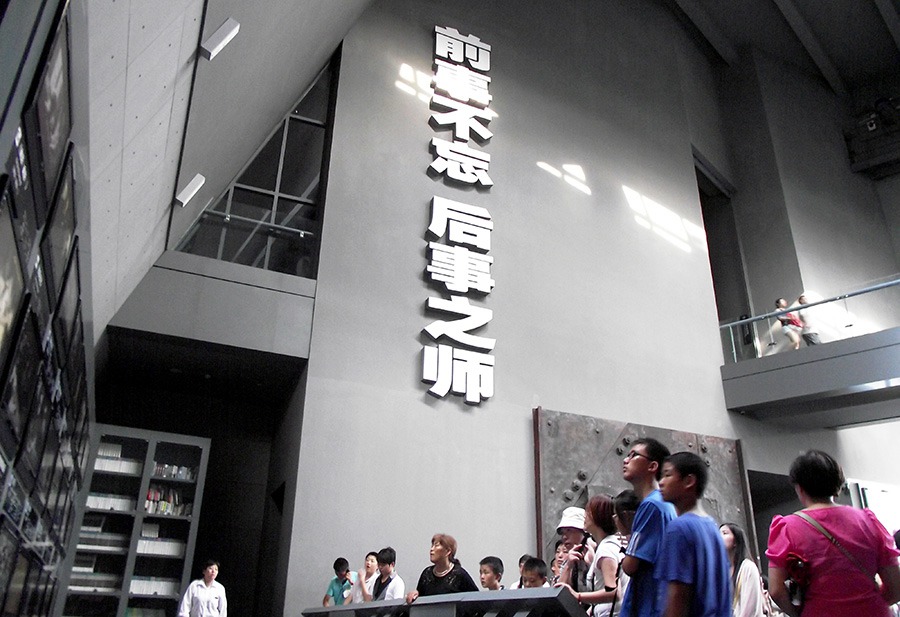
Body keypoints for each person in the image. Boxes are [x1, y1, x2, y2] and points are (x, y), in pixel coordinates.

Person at [766, 450, 900, 617]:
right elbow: (896, 587)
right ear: (837, 484)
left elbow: (776, 591)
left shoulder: (786, 527)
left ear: (800, 488)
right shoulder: (868, 521)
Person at [657, 451, 731, 617]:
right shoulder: (712, 527)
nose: (661, 482)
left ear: (689, 481)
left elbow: (677, 596)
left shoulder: (679, 528)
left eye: (667, 475)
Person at [619, 437, 677, 617]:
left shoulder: (651, 506)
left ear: (652, 466)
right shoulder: (664, 503)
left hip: (648, 606)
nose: (626, 460)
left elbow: (630, 566)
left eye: (634, 455)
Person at [557, 494, 622, 617]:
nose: (585, 517)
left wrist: (578, 596)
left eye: (588, 512)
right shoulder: (606, 545)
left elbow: (614, 592)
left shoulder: (606, 549)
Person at [406, 534, 478, 603]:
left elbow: (476, 599)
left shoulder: (459, 574)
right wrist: (415, 594)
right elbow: (420, 597)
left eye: (436, 546)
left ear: (448, 551)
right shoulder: (427, 573)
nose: (431, 549)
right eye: (432, 545)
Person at [720, 523, 764, 617]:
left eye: (724, 533)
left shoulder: (748, 568)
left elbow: (750, 609)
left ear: (736, 542)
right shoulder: (720, 571)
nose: (719, 536)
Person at [612, 490, 641, 616]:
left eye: (616, 515)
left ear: (627, 516)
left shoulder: (638, 538)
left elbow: (629, 566)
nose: (614, 518)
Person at [557, 506, 594, 594]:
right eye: (562, 533)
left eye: (569, 531)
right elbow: (558, 591)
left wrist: (592, 564)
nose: (564, 537)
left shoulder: (597, 552)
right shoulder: (568, 560)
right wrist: (568, 566)